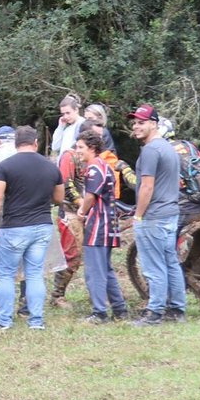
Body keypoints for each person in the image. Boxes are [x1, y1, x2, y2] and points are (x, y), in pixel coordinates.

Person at [0, 126, 64, 331]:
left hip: (14, 228)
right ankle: (36, 321)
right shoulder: (51, 167)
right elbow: (59, 198)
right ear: (36, 143)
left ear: (15, 143)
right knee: (35, 274)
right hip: (42, 226)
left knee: (7, 275)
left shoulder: (5, 166)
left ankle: (3, 321)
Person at [127, 104, 186, 326]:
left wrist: (139, 216)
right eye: (134, 122)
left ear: (154, 124)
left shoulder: (151, 150)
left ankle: (154, 313)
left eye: (141, 122)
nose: (136, 126)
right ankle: (177, 310)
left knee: (154, 266)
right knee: (170, 262)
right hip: (171, 214)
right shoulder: (168, 147)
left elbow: (147, 187)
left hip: (154, 216)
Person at [74, 129, 129, 324]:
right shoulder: (104, 165)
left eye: (80, 147)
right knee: (105, 269)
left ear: (92, 148)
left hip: (99, 224)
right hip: (108, 223)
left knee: (94, 271)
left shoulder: (94, 168)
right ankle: (120, 309)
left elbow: (90, 196)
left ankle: (100, 313)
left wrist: (81, 213)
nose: (77, 150)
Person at [50, 95, 82, 160]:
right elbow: (55, 147)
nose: (65, 117)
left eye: (68, 113)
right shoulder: (67, 128)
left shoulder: (82, 124)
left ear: (76, 110)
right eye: (63, 114)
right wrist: (60, 127)